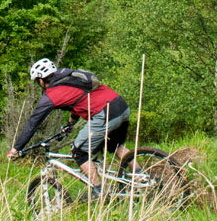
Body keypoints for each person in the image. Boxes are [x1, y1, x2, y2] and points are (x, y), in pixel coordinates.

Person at [7, 58, 131, 196]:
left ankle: (99, 191)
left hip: (105, 113)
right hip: (121, 106)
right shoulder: (68, 78)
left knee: (79, 151)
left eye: (37, 81)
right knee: (115, 145)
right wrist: (70, 124)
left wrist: (16, 149)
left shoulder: (52, 95)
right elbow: (78, 100)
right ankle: (142, 178)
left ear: (41, 80)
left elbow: (33, 123)